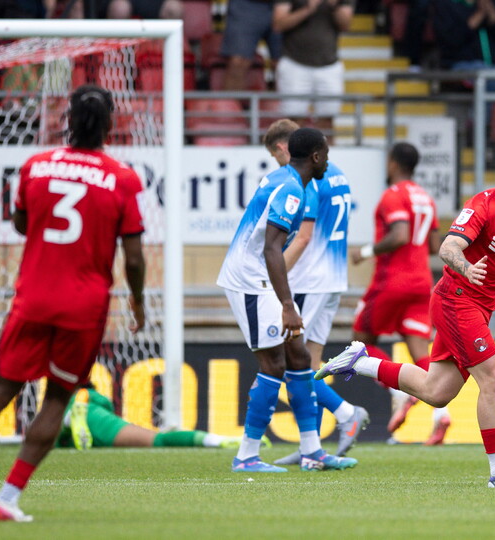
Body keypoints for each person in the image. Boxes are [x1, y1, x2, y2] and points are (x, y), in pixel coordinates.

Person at [319, 140, 495, 488]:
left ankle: (361, 361)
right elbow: (447, 246)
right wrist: (467, 267)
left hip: (480, 308)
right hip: (456, 299)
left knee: (437, 391)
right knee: (494, 377)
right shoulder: (485, 206)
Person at [0, 84, 146, 522]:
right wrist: (138, 302)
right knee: (58, 399)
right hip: (84, 307)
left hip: (34, 297)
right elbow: (135, 257)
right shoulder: (122, 178)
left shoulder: (37, 165)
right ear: (109, 124)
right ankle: (7, 498)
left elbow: (21, 221)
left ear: (67, 120)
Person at [217, 126, 357, 473]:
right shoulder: (292, 188)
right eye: (325, 154)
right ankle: (247, 456)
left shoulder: (290, 180)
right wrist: (287, 305)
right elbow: (270, 249)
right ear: (315, 157)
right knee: (274, 364)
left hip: (260, 275)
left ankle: (312, 451)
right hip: (249, 280)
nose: (328, 160)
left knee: (297, 357)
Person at [272, 152, 370, 466]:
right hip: (332, 277)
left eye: (276, 155)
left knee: (295, 364)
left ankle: (345, 412)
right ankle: (309, 448)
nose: (278, 163)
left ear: (286, 149)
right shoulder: (338, 173)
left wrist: (272, 274)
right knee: (309, 362)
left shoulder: (310, 179)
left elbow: (304, 235)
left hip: (311, 279)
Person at [350, 142, 451, 444]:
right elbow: (434, 246)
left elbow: (400, 234)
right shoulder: (425, 198)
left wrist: (365, 251)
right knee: (421, 351)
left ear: (393, 163)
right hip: (422, 282)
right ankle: (440, 415)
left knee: (359, 343)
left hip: (391, 281)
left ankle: (399, 391)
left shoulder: (393, 196)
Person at [57, 386, 246, 450]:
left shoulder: (52, 404)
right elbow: (103, 404)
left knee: (43, 440)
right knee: (158, 439)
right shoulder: (95, 401)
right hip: (90, 414)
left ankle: (67, 421)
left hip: (59, 418)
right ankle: (214, 440)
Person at [272, 0, 355, 130]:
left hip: (329, 65)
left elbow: (346, 25)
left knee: (327, 121)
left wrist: (334, 6)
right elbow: (278, 24)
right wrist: (308, 8)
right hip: (294, 64)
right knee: (293, 122)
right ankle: (295, 150)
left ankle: (326, 150)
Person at [220, 0, 283, 91]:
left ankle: (289, 105)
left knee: (285, 66)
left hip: (285, 4)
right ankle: (231, 104)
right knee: (238, 63)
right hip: (245, 5)